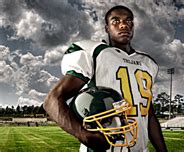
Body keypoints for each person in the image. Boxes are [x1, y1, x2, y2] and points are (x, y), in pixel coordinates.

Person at [43, 5, 167, 152]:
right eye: (115, 21)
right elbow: (52, 100)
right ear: (107, 28)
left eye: (128, 21)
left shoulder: (148, 63)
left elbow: (149, 114)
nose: (123, 25)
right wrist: (83, 135)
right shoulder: (95, 52)